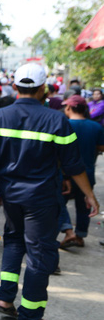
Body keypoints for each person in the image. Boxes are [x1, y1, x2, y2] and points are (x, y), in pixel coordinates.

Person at [0, 63, 100, 320]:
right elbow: (74, 166)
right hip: (41, 200)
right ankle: (30, 318)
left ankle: (5, 299)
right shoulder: (57, 120)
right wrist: (89, 195)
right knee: (39, 254)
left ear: (16, 86)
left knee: (13, 241)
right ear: (43, 88)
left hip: (10, 197)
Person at [58, 94, 104, 248]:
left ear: (69, 108)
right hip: (87, 173)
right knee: (84, 204)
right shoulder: (96, 127)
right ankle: (80, 235)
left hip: (66, 174)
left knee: (59, 203)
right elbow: (101, 147)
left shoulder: (64, 125)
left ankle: (67, 230)